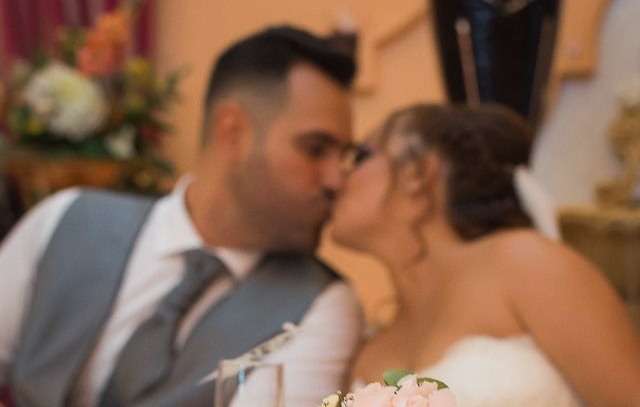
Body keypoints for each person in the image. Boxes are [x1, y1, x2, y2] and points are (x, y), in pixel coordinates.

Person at [0, 25, 363, 407]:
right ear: (233, 132)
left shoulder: (320, 306)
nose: (337, 179)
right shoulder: (65, 220)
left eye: (344, 157)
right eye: (315, 149)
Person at [332, 103, 640, 406]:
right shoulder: (369, 351)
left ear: (417, 173)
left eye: (361, 156)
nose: (336, 178)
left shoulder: (524, 263)